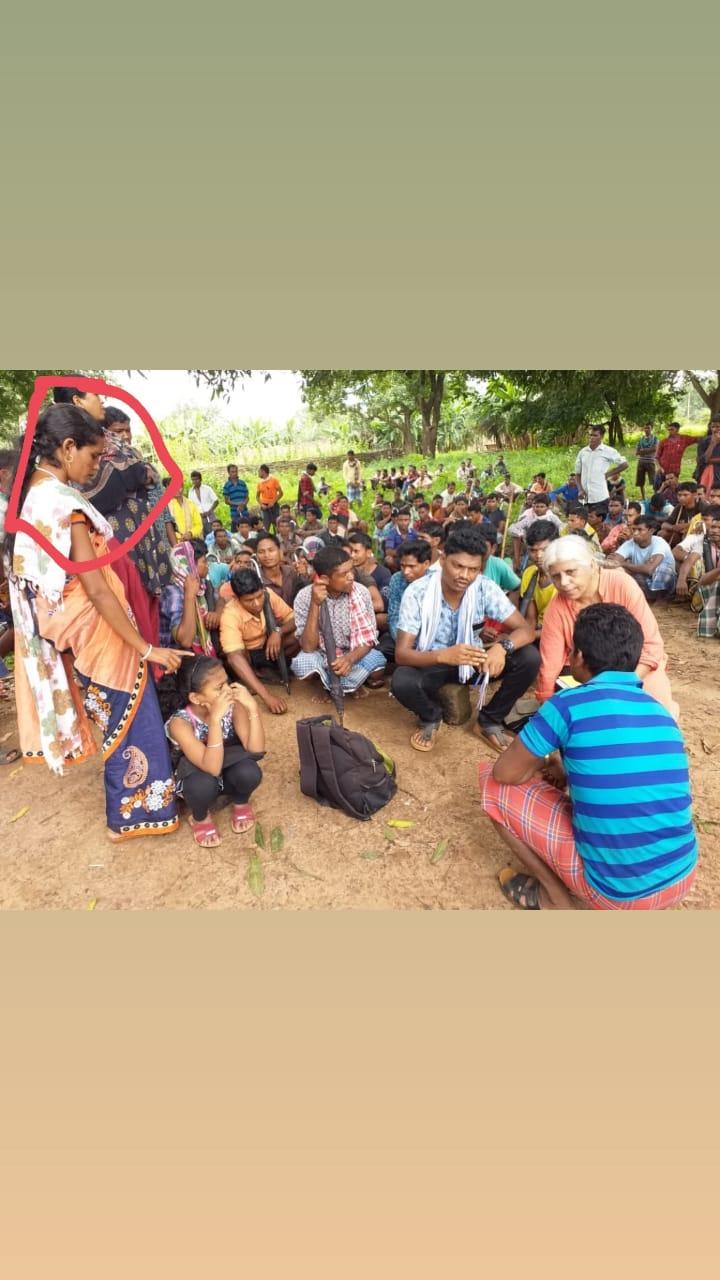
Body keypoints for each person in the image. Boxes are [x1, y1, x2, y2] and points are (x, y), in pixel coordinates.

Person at [6, 402, 189, 839]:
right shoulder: (62, 501)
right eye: (92, 456)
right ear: (68, 448)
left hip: (73, 626)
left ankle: (141, 806)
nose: (95, 466)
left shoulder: (32, 495)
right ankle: (133, 814)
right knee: (131, 711)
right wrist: (144, 646)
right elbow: (95, 587)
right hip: (96, 626)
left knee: (117, 712)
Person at [478, 604, 697, 910]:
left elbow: (505, 773)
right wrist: (564, 770)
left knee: (491, 784)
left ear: (578, 657)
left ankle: (553, 900)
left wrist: (541, 763)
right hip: (681, 876)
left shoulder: (568, 703)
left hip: (619, 894)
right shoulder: (659, 710)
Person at [391, 523, 539, 753]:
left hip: (474, 660)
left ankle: (489, 720)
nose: (464, 576)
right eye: (457, 566)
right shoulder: (418, 591)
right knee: (402, 680)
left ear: (481, 568)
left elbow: (526, 630)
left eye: (473, 569)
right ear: (442, 560)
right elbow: (402, 653)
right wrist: (443, 656)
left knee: (529, 657)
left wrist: (501, 648)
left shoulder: (484, 588)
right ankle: (431, 716)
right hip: (434, 664)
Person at [55, 392, 173, 655]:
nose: (101, 400)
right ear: (77, 400)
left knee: (147, 614)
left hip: (141, 548)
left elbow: (148, 473)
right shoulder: (72, 444)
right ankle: (143, 681)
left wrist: (134, 474)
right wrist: (133, 474)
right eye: (95, 395)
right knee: (126, 614)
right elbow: (108, 489)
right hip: (114, 547)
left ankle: (155, 679)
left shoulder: (103, 437)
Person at [535, 534, 677, 716]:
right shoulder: (556, 608)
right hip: (586, 672)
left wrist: (623, 687)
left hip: (636, 667)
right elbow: (550, 663)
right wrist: (545, 704)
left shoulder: (622, 584)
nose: (563, 583)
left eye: (571, 572)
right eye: (556, 576)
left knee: (655, 715)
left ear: (592, 565)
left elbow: (651, 645)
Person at [166, 657, 264, 848]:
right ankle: (200, 818)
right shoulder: (180, 723)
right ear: (196, 698)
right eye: (219, 688)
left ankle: (241, 801)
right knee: (202, 786)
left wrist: (252, 707)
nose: (227, 690)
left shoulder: (232, 708)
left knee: (250, 771)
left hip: (224, 766)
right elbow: (211, 768)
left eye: (227, 682)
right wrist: (214, 722)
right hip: (199, 776)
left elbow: (256, 750)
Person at [291, 545, 387, 696]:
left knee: (378, 665)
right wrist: (315, 604)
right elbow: (308, 647)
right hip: (321, 654)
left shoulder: (361, 592)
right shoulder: (304, 596)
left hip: (353, 653)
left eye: (351, 570)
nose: (351, 577)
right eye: (344, 574)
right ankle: (329, 684)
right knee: (304, 665)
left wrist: (349, 659)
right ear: (325, 579)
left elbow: (368, 640)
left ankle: (348, 683)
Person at [219, 568, 296, 713]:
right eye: (249, 600)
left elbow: (294, 619)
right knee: (235, 655)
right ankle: (253, 676)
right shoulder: (230, 614)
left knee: (298, 634)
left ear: (262, 589)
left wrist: (278, 632)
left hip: (268, 648)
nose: (256, 603)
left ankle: (266, 671)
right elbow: (234, 657)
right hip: (247, 656)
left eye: (259, 596)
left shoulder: (268, 594)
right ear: (237, 597)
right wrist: (267, 697)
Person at [160, 537, 223, 656]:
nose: (207, 565)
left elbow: (221, 599)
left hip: (201, 656)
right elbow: (185, 640)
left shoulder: (203, 585)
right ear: (190, 564)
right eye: (204, 561)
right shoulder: (173, 592)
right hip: (179, 660)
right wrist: (189, 595)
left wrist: (217, 613)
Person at [382, 539, 433, 661]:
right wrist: (404, 643)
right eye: (403, 566)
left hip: (430, 641)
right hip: (402, 636)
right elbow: (394, 616)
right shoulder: (397, 579)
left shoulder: (436, 582)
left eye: (411, 566)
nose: (406, 571)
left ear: (426, 564)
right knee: (382, 649)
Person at [674, 506, 720, 637]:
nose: (714, 531)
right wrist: (681, 580)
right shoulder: (704, 542)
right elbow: (690, 561)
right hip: (708, 584)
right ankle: (695, 598)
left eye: (719, 528)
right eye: (714, 527)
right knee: (695, 562)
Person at [608, 517, 677, 601]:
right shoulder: (630, 543)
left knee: (662, 568)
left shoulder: (659, 543)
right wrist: (620, 565)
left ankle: (662, 599)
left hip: (665, 583)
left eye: (640, 530)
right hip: (644, 579)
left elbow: (649, 569)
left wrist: (622, 564)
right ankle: (644, 597)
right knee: (617, 570)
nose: (635, 533)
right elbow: (613, 561)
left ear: (651, 531)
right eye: (634, 529)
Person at [518, 520, 559, 638]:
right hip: (539, 632)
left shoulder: (567, 578)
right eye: (533, 550)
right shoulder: (529, 574)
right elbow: (531, 619)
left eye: (544, 549)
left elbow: (564, 626)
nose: (539, 555)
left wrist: (522, 638)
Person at [574, 425, 627, 514]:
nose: (592, 438)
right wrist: (580, 490)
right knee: (586, 524)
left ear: (601, 436)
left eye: (595, 435)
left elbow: (624, 464)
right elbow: (578, 474)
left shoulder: (608, 451)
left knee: (600, 523)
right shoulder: (583, 452)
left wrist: (609, 474)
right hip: (585, 498)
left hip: (600, 496)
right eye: (590, 435)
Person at [253, 531, 308, 606]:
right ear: (257, 556)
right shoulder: (255, 579)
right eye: (261, 552)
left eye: (271, 550)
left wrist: (304, 575)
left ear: (280, 552)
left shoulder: (292, 572)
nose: (267, 555)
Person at [509, 495, 562, 570]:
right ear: (533, 506)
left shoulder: (552, 517)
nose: (539, 509)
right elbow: (512, 527)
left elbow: (562, 527)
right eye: (537, 506)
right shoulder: (529, 518)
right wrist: (521, 534)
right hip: (532, 543)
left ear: (547, 507)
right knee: (516, 536)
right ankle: (517, 560)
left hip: (547, 544)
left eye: (542, 506)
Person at [346, 531, 392, 600]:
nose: (352, 555)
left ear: (368, 553)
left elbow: (383, 604)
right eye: (350, 551)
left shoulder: (383, 574)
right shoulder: (346, 572)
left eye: (356, 551)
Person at [660, 480, 705, 547]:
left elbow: (705, 524)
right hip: (681, 538)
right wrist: (673, 527)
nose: (681, 498)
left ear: (695, 495)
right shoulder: (679, 507)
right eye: (679, 495)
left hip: (698, 538)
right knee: (662, 533)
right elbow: (664, 525)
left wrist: (686, 525)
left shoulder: (703, 506)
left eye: (685, 495)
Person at [655, 421, 697, 488]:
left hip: (675, 471)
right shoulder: (663, 441)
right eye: (669, 430)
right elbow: (656, 457)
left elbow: (698, 439)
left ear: (677, 429)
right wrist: (659, 467)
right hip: (663, 471)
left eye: (672, 429)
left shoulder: (684, 439)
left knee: (673, 490)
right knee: (660, 489)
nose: (670, 431)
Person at [163, 476, 204, 544]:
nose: (177, 489)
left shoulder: (191, 504)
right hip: (172, 543)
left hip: (191, 542)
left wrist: (190, 533)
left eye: (179, 487)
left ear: (183, 487)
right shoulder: (165, 505)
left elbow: (199, 525)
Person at [255, 464, 283, 532]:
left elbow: (281, 493)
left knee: (277, 525)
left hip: (274, 506)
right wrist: (261, 504)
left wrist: (273, 502)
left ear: (263, 471)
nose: (258, 473)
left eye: (259, 471)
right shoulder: (259, 483)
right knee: (265, 526)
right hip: (264, 507)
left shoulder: (274, 480)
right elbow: (257, 497)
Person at [634, 422, 659, 499]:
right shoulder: (641, 439)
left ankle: (655, 496)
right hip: (641, 462)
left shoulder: (655, 439)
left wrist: (643, 450)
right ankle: (643, 497)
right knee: (640, 481)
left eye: (648, 428)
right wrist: (648, 450)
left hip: (651, 461)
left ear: (652, 429)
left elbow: (655, 449)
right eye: (645, 428)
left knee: (653, 480)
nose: (646, 429)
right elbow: (637, 452)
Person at [223, 464, 250, 533]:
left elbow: (247, 497)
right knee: (236, 532)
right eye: (232, 472)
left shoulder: (242, 483)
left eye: (235, 471)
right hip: (234, 512)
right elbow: (226, 501)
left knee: (247, 530)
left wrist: (243, 504)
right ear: (229, 473)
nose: (234, 473)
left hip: (245, 511)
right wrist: (238, 504)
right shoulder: (227, 485)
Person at [696, 418, 720, 492]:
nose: (715, 430)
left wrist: (711, 460)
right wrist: (713, 444)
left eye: (718, 427)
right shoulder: (704, 441)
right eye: (713, 427)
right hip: (707, 474)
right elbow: (703, 460)